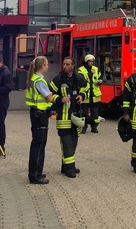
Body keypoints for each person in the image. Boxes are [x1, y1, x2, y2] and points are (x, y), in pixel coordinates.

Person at [49, 57, 86, 178]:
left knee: (74, 142)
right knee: (67, 143)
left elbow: (86, 88)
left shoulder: (78, 78)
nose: (65, 66)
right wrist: (60, 99)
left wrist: (81, 95)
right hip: (63, 117)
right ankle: (70, 168)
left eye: (68, 64)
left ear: (73, 66)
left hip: (75, 116)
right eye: (64, 64)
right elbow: (49, 95)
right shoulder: (58, 79)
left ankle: (65, 166)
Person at [25, 56, 54, 184]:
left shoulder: (34, 78)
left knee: (37, 144)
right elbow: (49, 98)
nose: (48, 67)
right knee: (39, 145)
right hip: (40, 116)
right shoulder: (40, 81)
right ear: (42, 66)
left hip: (36, 114)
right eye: (47, 64)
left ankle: (36, 172)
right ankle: (35, 175)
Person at [78, 54, 102, 133]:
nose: (92, 63)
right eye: (90, 61)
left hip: (95, 95)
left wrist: (99, 82)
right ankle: (84, 127)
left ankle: (94, 127)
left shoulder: (96, 69)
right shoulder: (80, 70)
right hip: (85, 94)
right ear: (86, 61)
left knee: (95, 114)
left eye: (93, 61)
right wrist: (90, 74)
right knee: (84, 113)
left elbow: (99, 77)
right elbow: (80, 80)